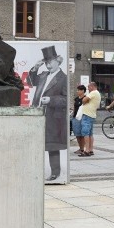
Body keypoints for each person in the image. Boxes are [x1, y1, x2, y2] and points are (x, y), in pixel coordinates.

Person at [29, 46, 68, 181]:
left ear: (58, 61)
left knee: (52, 146)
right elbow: (31, 81)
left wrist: (51, 100)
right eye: (46, 62)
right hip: (38, 113)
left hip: (53, 117)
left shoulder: (64, 78)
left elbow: (66, 99)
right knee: (36, 143)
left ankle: (55, 173)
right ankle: (35, 170)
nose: (48, 64)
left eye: (50, 61)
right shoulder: (44, 75)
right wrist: (35, 68)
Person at [78, 82, 101, 156]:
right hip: (91, 114)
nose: (88, 88)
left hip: (87, 115)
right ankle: (91, 149)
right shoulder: (97, 93)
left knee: (85, 133)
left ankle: (87, 150)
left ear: (92, 86)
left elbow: (84, 100)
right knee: (90, 133)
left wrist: (85, 99)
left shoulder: (93, 92)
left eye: (89, 87)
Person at [72, 85, 85, 153]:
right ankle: (80, 148)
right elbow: (74, 107)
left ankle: (82, 148)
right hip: (75, 117)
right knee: (77, 134)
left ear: (82, 91)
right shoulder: (76, 99)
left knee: (81, 134)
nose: (77, 91)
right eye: (77, 90)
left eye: (79, 90)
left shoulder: (85, 98)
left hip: (82, 118)